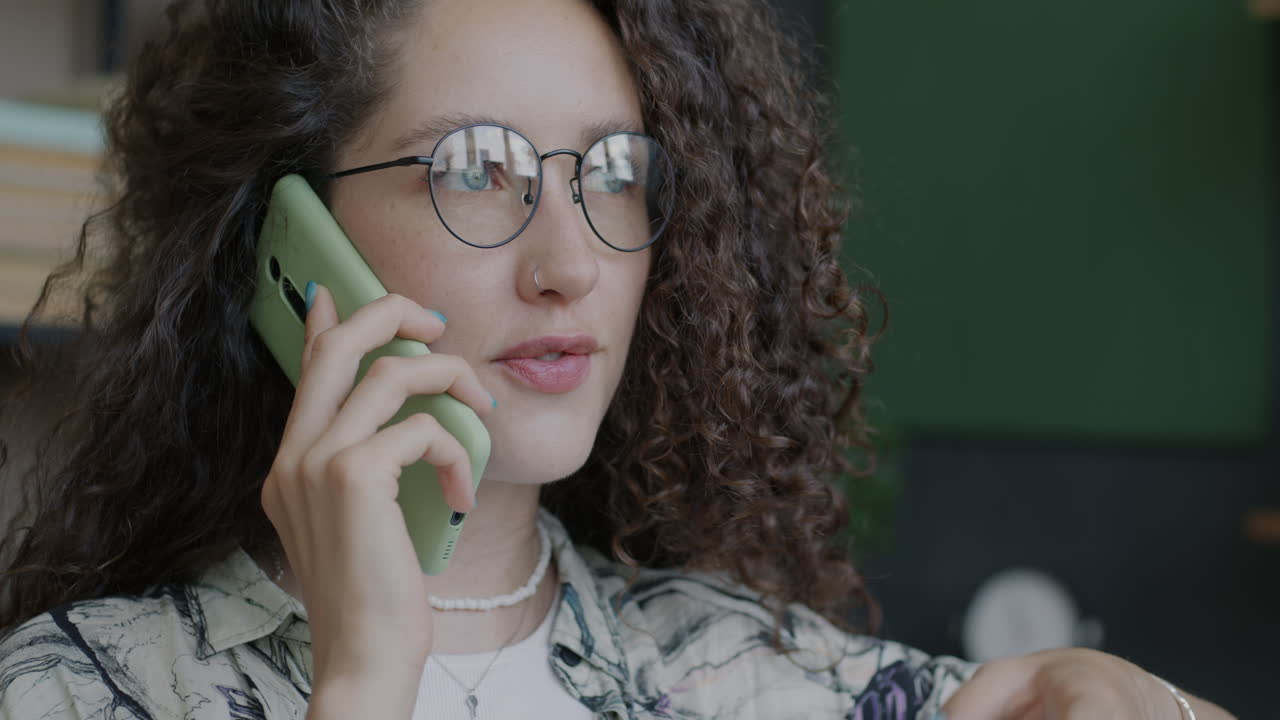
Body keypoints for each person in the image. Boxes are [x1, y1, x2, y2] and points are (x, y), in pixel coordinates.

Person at [0, 1, 1237, 718]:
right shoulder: (78, 687)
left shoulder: (737, 670)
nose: (570, 264)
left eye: (612, 173)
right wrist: (370, 673)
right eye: (473, 168)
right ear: (287, 238)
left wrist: (1146, 707)